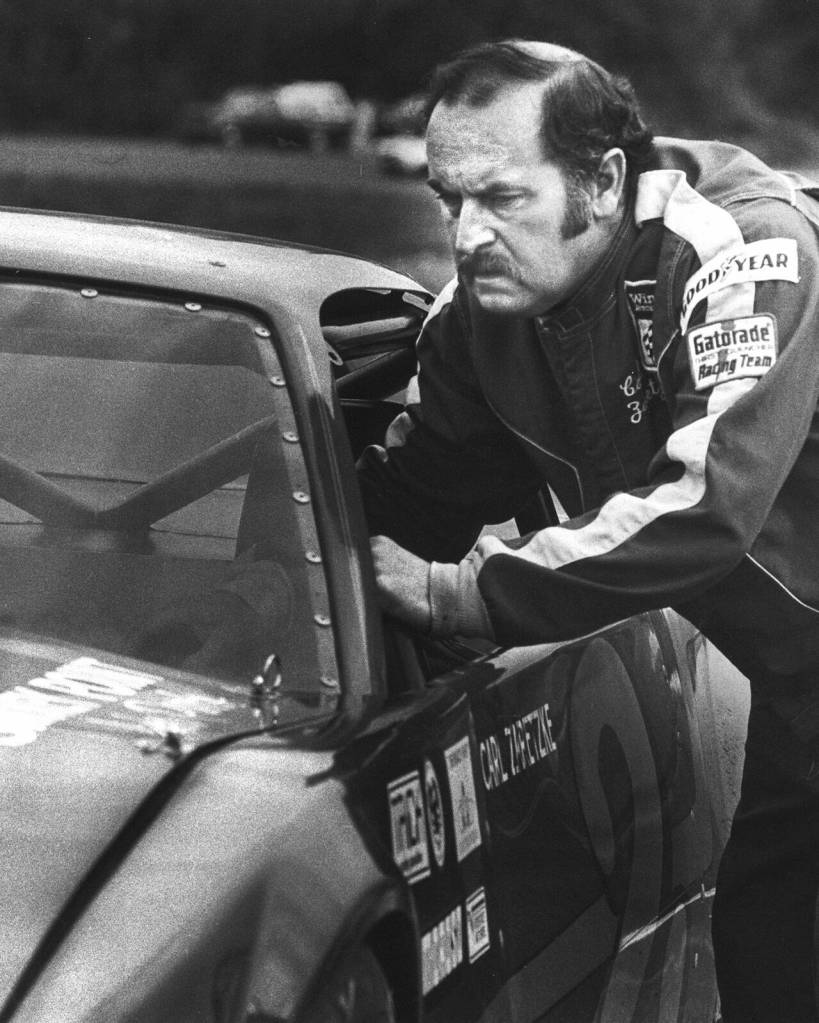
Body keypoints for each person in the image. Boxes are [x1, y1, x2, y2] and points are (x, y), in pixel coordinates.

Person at [357, 38, 819, 1023]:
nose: (468, 235)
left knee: (778, 944)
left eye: (501, 199)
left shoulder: (744, 245)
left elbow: (707, 507)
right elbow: (409, 498)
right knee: (771, 951)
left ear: (603, 180)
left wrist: (461, 594)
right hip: (798, 672)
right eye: (448, 201)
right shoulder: (477, 318)